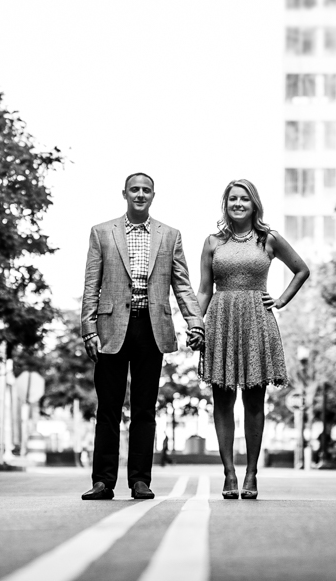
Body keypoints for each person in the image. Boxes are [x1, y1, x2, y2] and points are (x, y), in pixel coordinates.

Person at [80, 172, 205, 500]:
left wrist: (195, 322)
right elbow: (91, 283)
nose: (139, 194)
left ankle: (140, 480)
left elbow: (182, 283)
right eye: (134, 189)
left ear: (153, 195)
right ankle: (103, 482)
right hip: (110, 329)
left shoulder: (170, 235)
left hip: (152, 328)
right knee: (108, 407)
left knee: (145, 408)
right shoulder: (102, 232)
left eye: (145, 190)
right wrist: (88, 328)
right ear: (124, 193)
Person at [198, 178, 310, 500]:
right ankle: (229, 473)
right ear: (226, 203)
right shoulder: (212, 242)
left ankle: (251, 473)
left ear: (254, 204)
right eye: (232, 199)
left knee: (253, 400)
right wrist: (195, 322)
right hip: (220, 319)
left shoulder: (268, 238)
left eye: (244, 199)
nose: (238, 204)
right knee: (222, 401)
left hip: (257, 320)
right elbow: (205, 289)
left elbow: (300, 269)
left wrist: (281, 300)